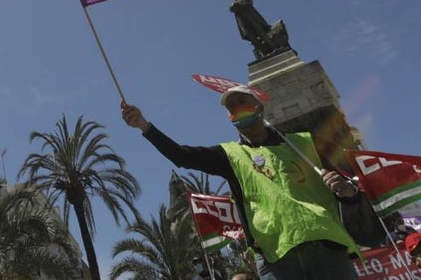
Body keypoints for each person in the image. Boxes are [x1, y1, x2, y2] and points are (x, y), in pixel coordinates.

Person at [122, 86, 361, 280]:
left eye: (241, 101)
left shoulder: (303, 144)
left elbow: (350, 190)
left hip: (327, 248)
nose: (237, 108)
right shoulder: (229, 155)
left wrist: (346, 189)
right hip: (276, 258)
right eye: (231, 107)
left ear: (260, 108)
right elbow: (182, 156)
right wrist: (144, 126)